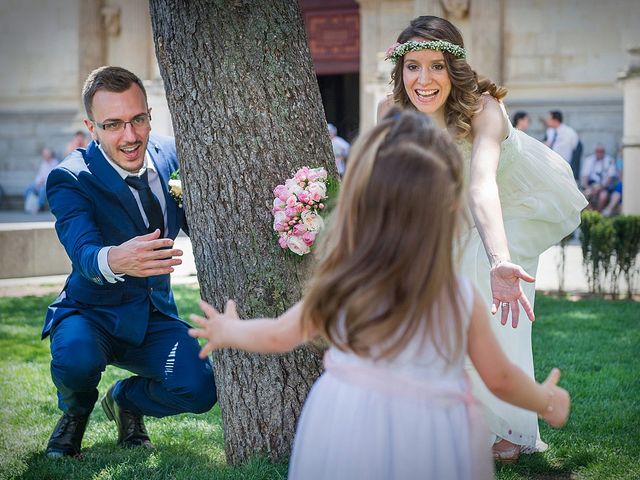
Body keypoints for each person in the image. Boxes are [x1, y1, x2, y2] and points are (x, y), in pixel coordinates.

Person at [189, 111, 570, 480]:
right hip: (431, 435)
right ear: (451, 209)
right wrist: (545, 401)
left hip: (348, 422)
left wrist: (228, 331)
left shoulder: (344, 284)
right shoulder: (457, 297)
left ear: (359, 203)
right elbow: (500, 378)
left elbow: (278, 334)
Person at [378, 16, 586, 462]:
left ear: (454, 68)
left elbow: (483, 185)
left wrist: (499, 260)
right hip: (455, 207)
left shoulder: (483, 109)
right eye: (412, 66)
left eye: (436, 66)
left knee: (486, 284)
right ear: (400, 69)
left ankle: (514, 430)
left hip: (518, 200)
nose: (424, 79)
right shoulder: (389, 111)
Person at [42, 66, 216, 458]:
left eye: (138, 119)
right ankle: (75, 413)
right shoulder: (71, 178)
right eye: (114, 124)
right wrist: (118, 259)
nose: (131, 136)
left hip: (153, 315)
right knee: (76, 360)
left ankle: (126, 401)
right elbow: (83, 252)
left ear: (149, 114)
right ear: (93, 127)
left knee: (201, 388)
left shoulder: (173, 155)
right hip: (90, 313)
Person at [580, 143, 617, 211]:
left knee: (603, 196)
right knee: (583, 196)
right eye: (598, 151)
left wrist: (600, 188)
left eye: (602, 151)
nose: (600, 153)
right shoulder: (589, 160)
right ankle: (591, 213)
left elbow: (610, 178)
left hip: (604, 187)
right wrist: (588, 187)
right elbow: (584, 177)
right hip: (591, 186)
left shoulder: (609, 160)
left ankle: (598, 214)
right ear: (595, 151)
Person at [24, 147, 59, 213]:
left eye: (46, 154)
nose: (44, 156)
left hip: (48, 184)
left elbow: (51, 176)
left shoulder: (55, 163)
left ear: (50, 155)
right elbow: (40, 175)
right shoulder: (44, 163)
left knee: (42, 190)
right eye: (44, 154)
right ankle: (28, 207)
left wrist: (42, 182)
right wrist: (38, 182)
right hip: (40, 183)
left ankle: (40, 207)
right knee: (28, 188)